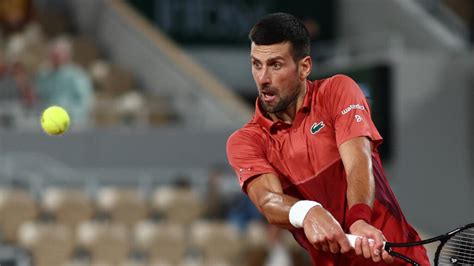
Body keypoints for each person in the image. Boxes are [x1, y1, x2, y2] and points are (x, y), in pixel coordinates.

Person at [226, 13, 429, 265]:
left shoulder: (337, 91)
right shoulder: (246, 141)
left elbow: (358, 161)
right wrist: (308, 211)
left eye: (275, 65)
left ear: (304, 67)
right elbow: (269, 200)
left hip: (399, 258)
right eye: (257, 64)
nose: (263, 78)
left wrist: (359, 219)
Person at [35, 37, 94, 125]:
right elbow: (40, 97)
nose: (54, 58)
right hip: (48, 123)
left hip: (72, 124)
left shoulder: (77, 75)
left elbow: (85, 102)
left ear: (67, 55)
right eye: (52, 55)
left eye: (57, 55)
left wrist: (69, 115)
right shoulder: (45, 76)